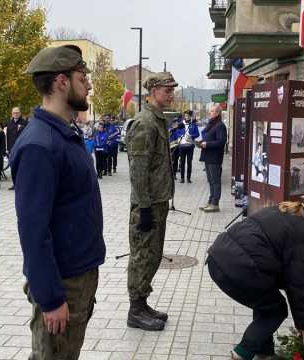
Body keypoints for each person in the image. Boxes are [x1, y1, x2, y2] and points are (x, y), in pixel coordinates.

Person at [9, 45, 106, 360]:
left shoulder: (65, 133)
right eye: (83, 77)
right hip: (63, 282)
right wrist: (50, 299)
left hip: (79, 275)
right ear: (62, 82)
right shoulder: (40, 143)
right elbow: (33, 231)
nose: (88, 85)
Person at [207, 192, 304, 360]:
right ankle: (242, 352)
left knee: (266, 301)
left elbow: (290, 276)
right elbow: (301, 286)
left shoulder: (285, 211)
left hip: (219, 257)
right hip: (239, 267)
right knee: (276, 310)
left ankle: (264, 352)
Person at [126, 72, 177, 331]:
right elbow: (138, 169)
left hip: (157, 201)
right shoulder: (145, 122)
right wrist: (144, 207)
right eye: (167, 90)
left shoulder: (157, 120)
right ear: (154, 90)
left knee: (153, 255)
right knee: (142, 256)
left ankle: (142, 302)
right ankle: (135, 310)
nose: (171, 94)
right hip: (147, 204)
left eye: (172, 89)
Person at [199, 105, 227, 213]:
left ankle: (215, 204)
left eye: (212, 111)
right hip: (207, 156)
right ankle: (210, 201)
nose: (209, 113)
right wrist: (201, 143)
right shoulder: (211, 124)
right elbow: (207, 137)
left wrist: (208, 144)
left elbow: (221, 141)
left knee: (215, 181)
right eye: (210, 111)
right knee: (210, 181)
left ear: (217, 113)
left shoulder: (220, 126)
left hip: (215, 158)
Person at [5, 107, 28, 190]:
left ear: (20, 113)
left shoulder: (24, 122)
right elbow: (7, 136)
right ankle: (15, 184)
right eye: (14, 112)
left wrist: (21, 127)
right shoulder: (9, 123)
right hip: (11, 148)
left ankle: (22, 184)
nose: (16, 114)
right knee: (13, 167)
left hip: (21, 148)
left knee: (21, 167)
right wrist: (7, 149)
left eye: (17, 112)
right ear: (12, 114)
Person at [178, 110, 200, 183]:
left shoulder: (193, 124)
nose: (186, 117)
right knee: (182, 162)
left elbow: (197, 134)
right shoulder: (181, 124)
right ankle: (182, 178)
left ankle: (188, 178)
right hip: (182, 146)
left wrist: (192, 136)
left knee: (189, 163)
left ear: (190, 116)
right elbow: (177, 132)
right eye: (185, 115)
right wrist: (180, 136)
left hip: (190, 146)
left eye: (187, 116)